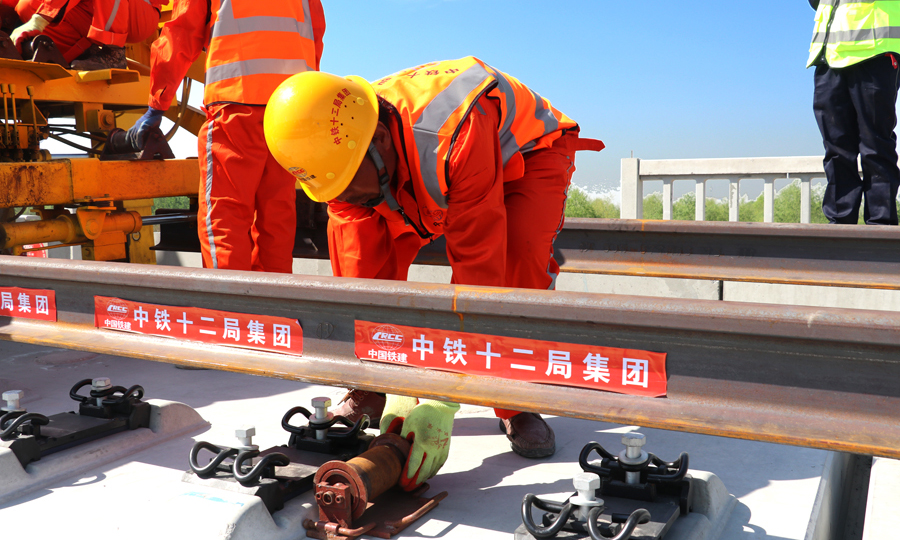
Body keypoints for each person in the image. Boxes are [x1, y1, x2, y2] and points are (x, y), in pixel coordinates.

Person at [263, 57, 604, 488]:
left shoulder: (452, 133)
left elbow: (478, 271)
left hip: (527, 155)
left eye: (348, 186)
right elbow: (358, 285)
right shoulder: (344, 154)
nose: (345, 198)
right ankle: (370, 386)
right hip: (412, 162)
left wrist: (444, 398)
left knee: (517, 269)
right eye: (334, 192)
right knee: (362, 271)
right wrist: (368, 365)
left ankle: (513, 400)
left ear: (381, 140)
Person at [126, 0, 325, 273]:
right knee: (277, 218)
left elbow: (181, 34)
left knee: (225, 218)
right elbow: (315, 37)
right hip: (289, 113)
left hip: (235, 106)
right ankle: (274, 308)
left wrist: (157, 102)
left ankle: (229, 308)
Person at [808, 0, 900, 225]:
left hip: (875, 52)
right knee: (836, 149)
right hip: (829, 56)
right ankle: (839, 226)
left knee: (876, 146)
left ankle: (881, 228)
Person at [8, 0, 164, 69]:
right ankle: (82, 52)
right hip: (93, 9)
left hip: (138, 12)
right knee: (27, 5)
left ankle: (113, 53)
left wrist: (40, 20)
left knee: (41, 12)